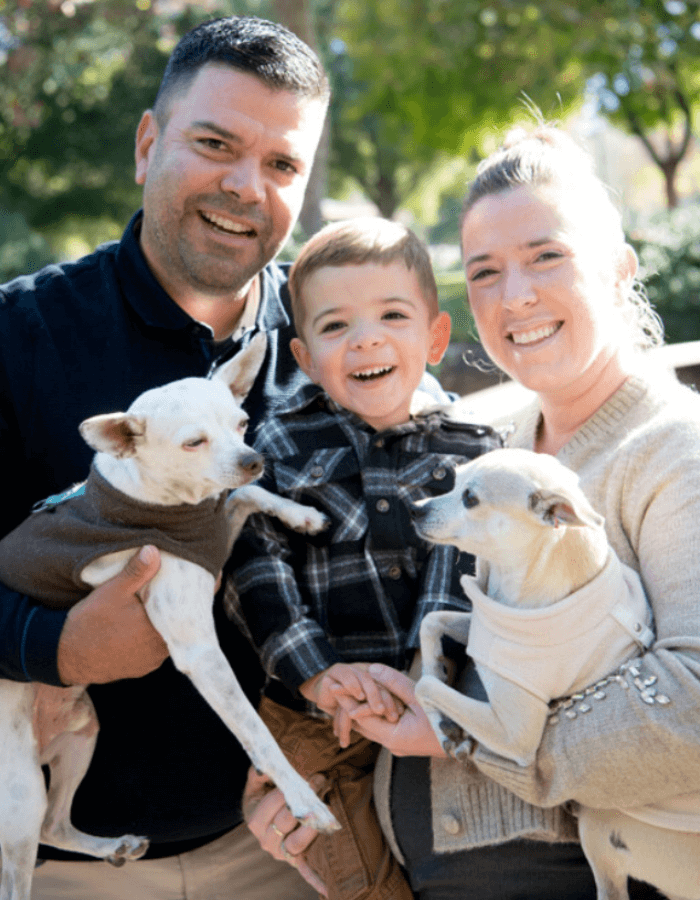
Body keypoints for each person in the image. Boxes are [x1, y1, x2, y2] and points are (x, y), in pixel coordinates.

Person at [259, 126, 700, 900]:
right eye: (484, 272)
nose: (514, 295)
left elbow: (692, 699)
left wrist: (471, 742)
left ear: (620, 264)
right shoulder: (481, 450)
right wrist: (296, 788)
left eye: (545, 255)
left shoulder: (671, 448)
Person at [0, 15, 339, 900]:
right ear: (148, 144)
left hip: (297, 854)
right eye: (215, 143)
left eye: (281, 164)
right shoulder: (19, 335)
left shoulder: (341, 338)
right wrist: (53, 645)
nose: (244, 187)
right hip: (62, 871)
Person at [227, 217, 501, 900]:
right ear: (306, 355)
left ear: (435, 337)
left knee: (455, 852)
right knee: (351, 872)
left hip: (432, 700)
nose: (366, 338)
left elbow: (459, 575)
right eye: (335, 326)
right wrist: (317, 676)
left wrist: (423, 677)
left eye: (392, 315)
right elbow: (256, 572)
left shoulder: (476, 450)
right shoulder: (279, 446)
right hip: (316, 711)